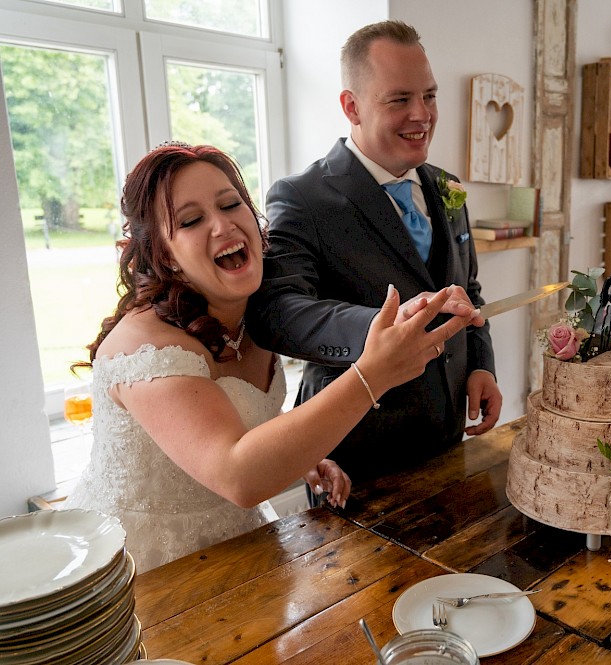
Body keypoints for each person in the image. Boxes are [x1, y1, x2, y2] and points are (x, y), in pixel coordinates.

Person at [64, 143, 469, 572]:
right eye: (191, 220)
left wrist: (300, 457)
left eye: (230, 204)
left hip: (237, 547)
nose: (222, 225)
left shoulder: (252, 316)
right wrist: (372, 376)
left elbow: (229, 419)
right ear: (165, 255)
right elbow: (238, 475)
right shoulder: (144, 347)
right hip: (139, 566)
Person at [247, 20, 503, 481]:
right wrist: (383, 326)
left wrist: (481, 366)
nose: (422, 114)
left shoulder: (446, 186)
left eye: (429, 95)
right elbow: (276, 311)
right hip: (355, 458)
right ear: (352, 106)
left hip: (448, 438)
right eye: (400, 99)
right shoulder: (302, 197)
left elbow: (469, 290)